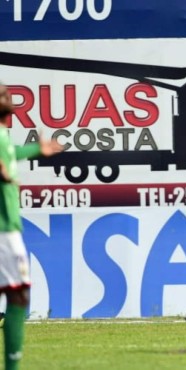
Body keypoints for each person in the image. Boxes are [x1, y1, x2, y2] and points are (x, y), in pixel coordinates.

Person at [0, 83, 64, 370]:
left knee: (16, 294)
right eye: (3, 95)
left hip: (8, 227)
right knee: (18, 294)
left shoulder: (3, 137)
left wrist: (36, 149)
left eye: (8, 95)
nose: (8, 98)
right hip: (3, 231)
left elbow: (10, 152)